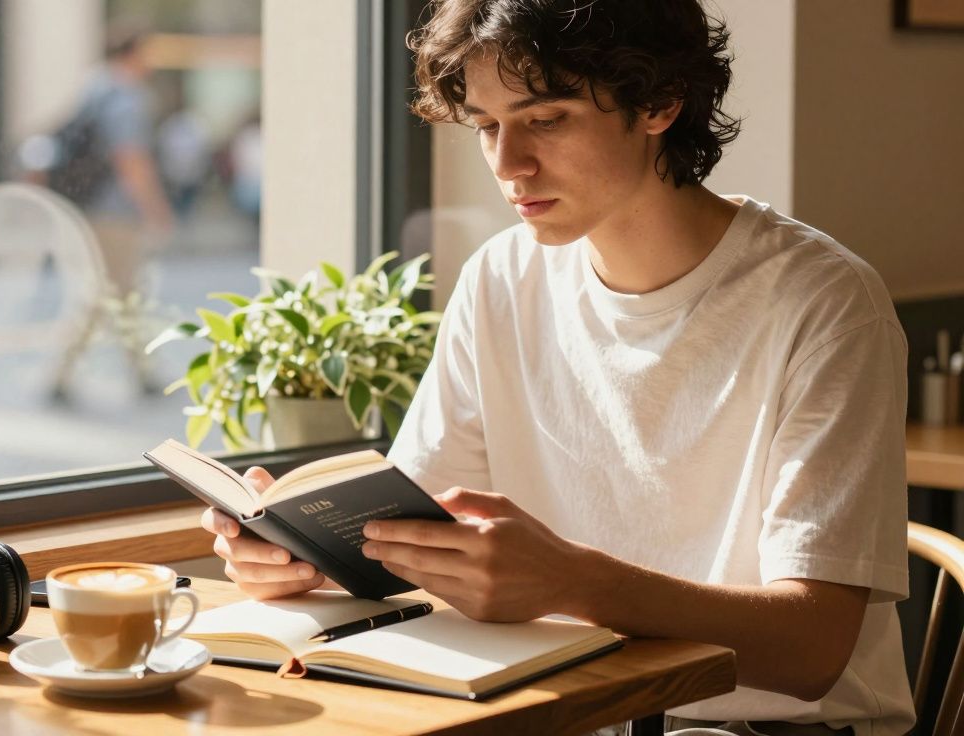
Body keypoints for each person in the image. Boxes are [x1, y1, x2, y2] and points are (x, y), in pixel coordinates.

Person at [201, 1, 913, 734]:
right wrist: (310, 558)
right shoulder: (500, 281)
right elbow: (420, 532)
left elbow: (811, 647)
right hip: (571, 707)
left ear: (660, 102)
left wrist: (571, 581)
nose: (509, 164)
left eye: (546, 119)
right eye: (486, 126)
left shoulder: (822, 302)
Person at [45, 28, 175, 402]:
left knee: (117, 291)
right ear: (134, 53)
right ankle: (64, 374)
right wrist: (156, 208)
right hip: (114, 212)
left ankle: (141, 370)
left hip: (88, 206)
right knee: (106, 293)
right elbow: (130, 158)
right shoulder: (124, 96)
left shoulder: (94, 87)